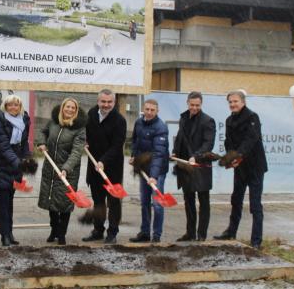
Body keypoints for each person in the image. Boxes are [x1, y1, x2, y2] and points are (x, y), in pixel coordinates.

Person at [214, 90, 268, 249]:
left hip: (255, 167)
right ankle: (231, 232)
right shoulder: (229, 120)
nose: (232, 104)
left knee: (255, 204)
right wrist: (230, 159)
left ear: (243, 102)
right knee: (236, 200)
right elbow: (228, 143)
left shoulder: (252, 117)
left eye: (235, 101)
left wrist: (238, 156)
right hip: (240, 168)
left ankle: (256, 241)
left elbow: (250, 140)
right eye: (230, 102)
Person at [37, 97, 87, 245]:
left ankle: (62, 233)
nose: (70, 110)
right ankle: (54, 230)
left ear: (76, 111)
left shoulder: (79, 129)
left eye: (73, 108)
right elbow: (42, 132)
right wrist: (41, 143)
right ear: (62, 108)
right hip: (50, 168)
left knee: (65, 203)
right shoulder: (53, 122)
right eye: (67, 107)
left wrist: (66, 168)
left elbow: (77, 152)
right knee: (51, 200)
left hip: (68, 170)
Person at [82, 89, 127, 244]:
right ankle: (98, 231)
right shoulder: (91, 114)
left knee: (113, 202)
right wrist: (84, 141)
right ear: (98, 101)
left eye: (109, 102)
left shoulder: (119, 120)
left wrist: (103, 161)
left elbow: (117, 146)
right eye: (103, 102)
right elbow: (86, 133)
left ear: (114, 103)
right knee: (98, 200)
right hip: (94, 167)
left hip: (112, 168)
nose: (106, 105)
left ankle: (112, 232)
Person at [0, 95, 31, 247]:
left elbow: (24, 144)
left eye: (16, 105)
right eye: (10, 105)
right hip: (0, 166)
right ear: (5, 107)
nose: (13, 108)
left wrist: (27, 160)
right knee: (4, 202)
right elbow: (4, 147)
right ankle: (4, 235)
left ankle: (10, 233)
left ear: (20, 107)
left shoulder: (24, 121)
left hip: (15, 167)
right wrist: (19, 163)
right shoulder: (0, 123)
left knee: (10, 201)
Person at [172, 91, 216, 242]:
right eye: (192, 105)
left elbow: (208, 144)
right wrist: (174, 152)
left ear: (201, 104)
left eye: (197, 105)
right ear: (187, 103)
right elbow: (180, 138)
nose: (194, 108)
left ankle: (201, 235)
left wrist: (195, 156)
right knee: (188, 200)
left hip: (201, 166)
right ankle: (190, 233)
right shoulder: (184, 118)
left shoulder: (208, 121)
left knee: (204, 201)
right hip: (186, 166)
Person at [129, 99, 169, 243]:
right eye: (147, 109)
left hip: (158, 172)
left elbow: (158, 154)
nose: (149, 112)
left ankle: (156, 235)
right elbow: (135, 141)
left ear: (157, 111)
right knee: (145, 202)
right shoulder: (139, 123)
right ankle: (145, 233)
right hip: (144, 169)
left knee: (157, 204)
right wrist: (134, 156)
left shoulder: (161, 127)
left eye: (153, 110)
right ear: (143, 109)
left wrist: (154, 176)